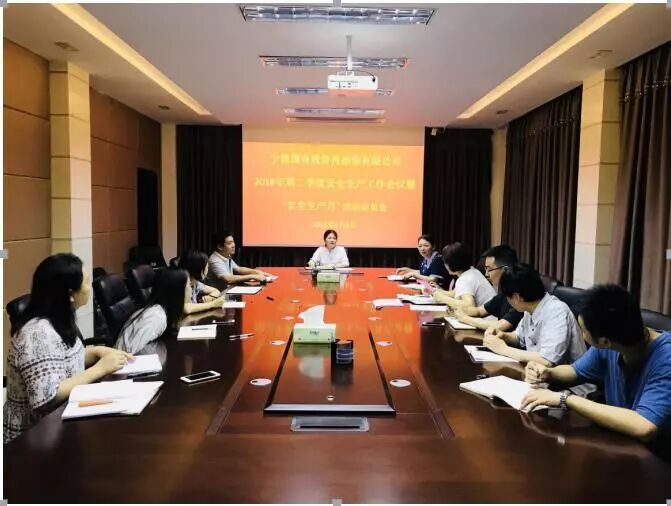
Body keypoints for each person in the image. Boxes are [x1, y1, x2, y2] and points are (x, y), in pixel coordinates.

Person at [522, 284, 671, 458]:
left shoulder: (665, 358)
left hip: (656, 458)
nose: (582, 335)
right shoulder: (614, 342)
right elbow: (575, 371)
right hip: (620, 444)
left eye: (583, 330)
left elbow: (644, 426)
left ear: (604, 342)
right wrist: (548, 372)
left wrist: (566, 399)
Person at [4, 254, 133, 444]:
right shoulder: (36, 334)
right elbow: (46, 397)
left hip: (61, 428)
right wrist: (100, 369)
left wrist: (96, 352)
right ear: (70, 294)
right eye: (86, 282)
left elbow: (64, 361)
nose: (90, 287)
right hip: (30, 441)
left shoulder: (58, 320)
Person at [482, 263, 586, 365]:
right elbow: (520, 338)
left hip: (567, 375)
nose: (508, 301)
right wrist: (503, 335)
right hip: (537, 372)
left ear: (517, 297)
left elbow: (547, 360)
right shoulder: (530, 308)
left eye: (507, 297)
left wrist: (503, 349)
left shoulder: (557, 312)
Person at [115, 268, 188, 354]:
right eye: (189, 285)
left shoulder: (164, 312)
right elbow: (126, 352)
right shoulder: (156, 317)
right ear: (178, 291)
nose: (191, 289)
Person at [453, 244, 523, 331]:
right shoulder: (504, 292)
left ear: (505, 270)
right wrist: (460, 310)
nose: (486, 274)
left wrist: (465, 318)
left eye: (489, 269)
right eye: (485, 269)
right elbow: (479, 311)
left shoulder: (519, 293)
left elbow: (501, 325)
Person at [433, 242, 496, 308]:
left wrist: (443, 299)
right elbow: (455, 293)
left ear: (451, 264)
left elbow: (469, 305)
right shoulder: (472, 271)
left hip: (487, 314)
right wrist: (436, 291)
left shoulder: (465, 279)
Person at [207, 231, 273, 289]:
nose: (233, 245)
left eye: (233, 242)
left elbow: (238, 269)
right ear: (220, 247)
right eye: (229, 243)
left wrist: (256, 272)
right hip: (219, 295)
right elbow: (229, 279)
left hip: (229, 290)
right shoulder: (215, 260)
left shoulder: (225, 255)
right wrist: (253, 276)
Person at [178, 250, 226, 314]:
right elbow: (186, 308)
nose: (207, 269)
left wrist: (210, 297)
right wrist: (213, 304)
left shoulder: (195, 282)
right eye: (206, 266)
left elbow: (215, 290)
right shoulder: (181, 283)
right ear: (198, 267)